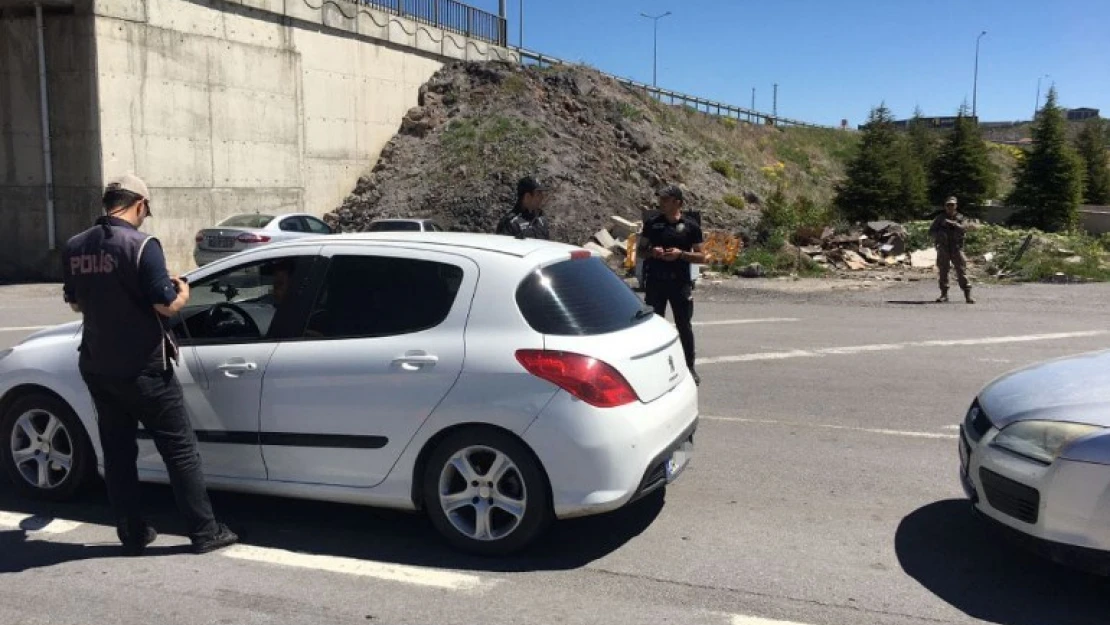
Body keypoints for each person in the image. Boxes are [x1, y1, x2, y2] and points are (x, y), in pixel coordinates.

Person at [62, 174, 239, 556]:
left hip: (97, 365)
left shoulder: (75, 246)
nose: (146, 218)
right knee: (179, 449)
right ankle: (205, 531)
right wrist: (184, 295)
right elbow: (164, 305)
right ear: (139, 204)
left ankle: (132, 533)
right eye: (146, 211)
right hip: (144, 367)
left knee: (119, 452)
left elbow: (75, 303)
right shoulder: (142, 246)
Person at [640, 185, 706, 385]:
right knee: (654, 327)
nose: (661, 203)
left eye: (666, 199)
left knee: (684, 325)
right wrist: (653, 252)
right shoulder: (652, 223)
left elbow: (702, 256)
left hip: (680, 283)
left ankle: (689, 367)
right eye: (661, 199)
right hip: (655, 282)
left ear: (678, 202)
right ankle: (653, 369)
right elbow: (641, 251)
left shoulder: (691, 226)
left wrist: (681, 254)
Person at [929, 196, 975, 304]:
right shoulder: (940, 218)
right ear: (945, 206)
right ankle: (944, 295)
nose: (950, 207)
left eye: (952, 205)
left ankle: (967, 295)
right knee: (943, 271)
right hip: (944, 247)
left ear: (956, 206)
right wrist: (940, 233)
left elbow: (966, 229)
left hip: (956, 248)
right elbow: (931, 232)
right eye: (948, 205)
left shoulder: (961, 218)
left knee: (961, 271)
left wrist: (955, 225)